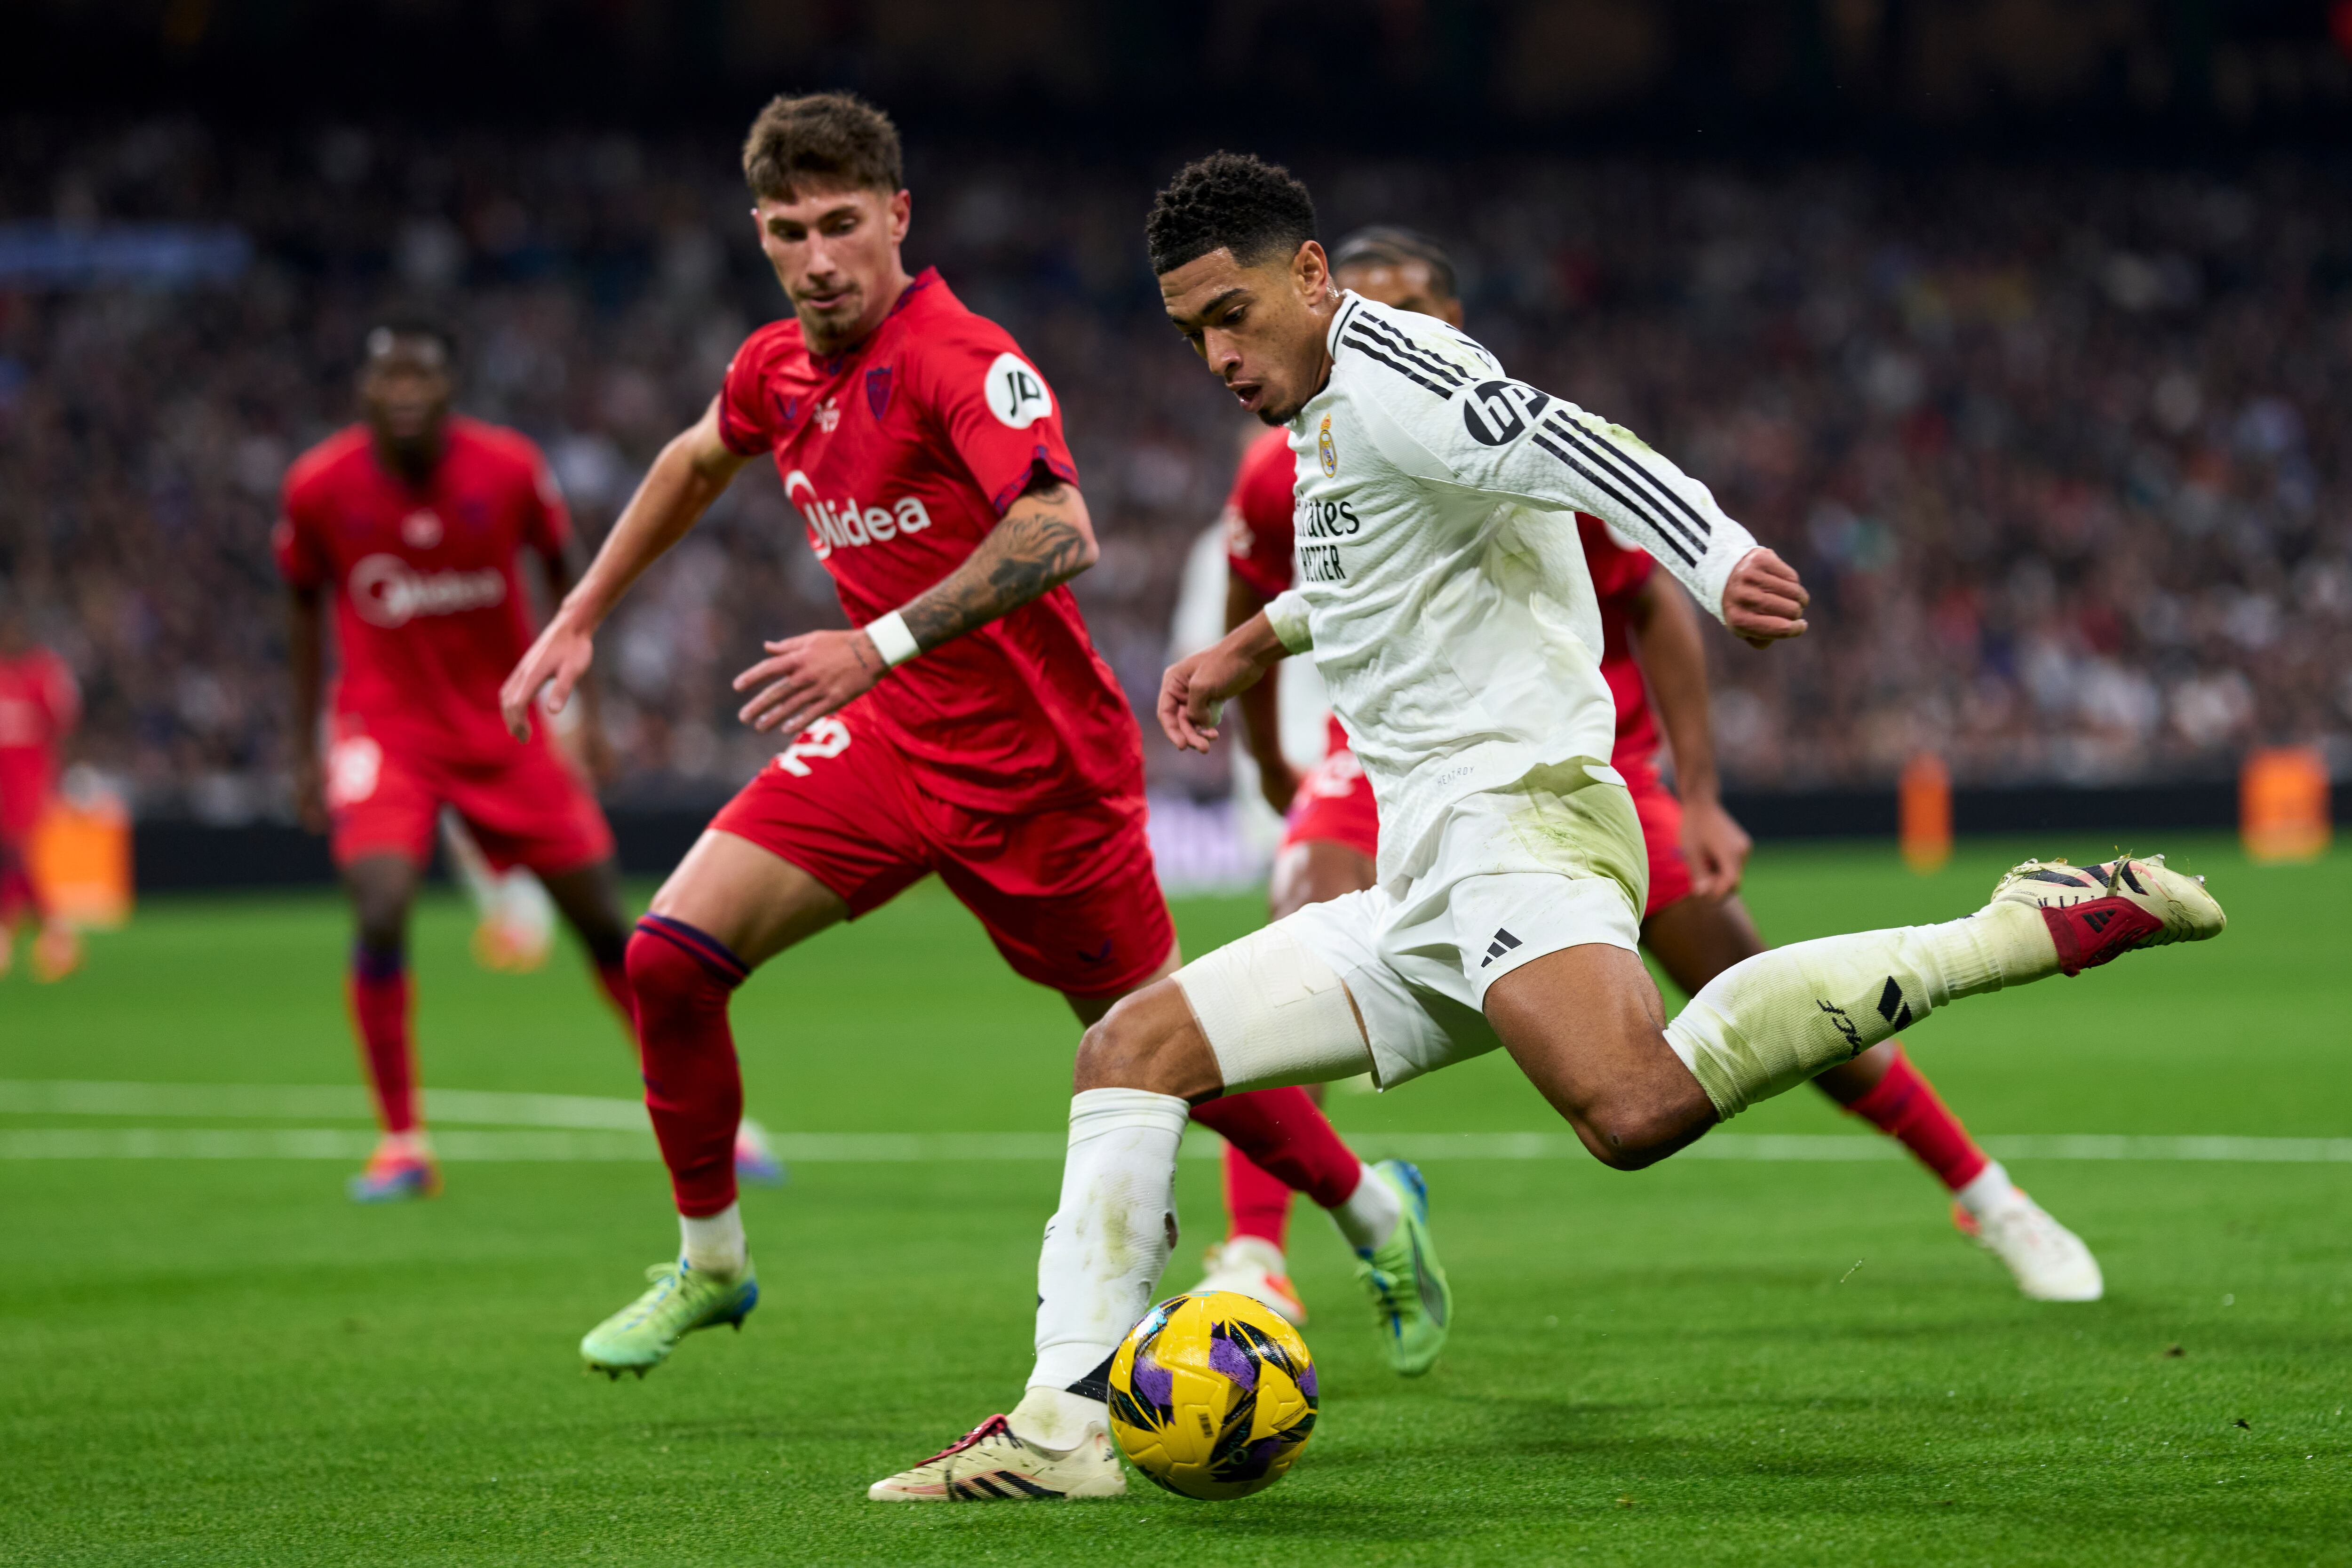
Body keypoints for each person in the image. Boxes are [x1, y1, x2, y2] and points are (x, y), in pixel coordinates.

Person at [873, 153, 2223, 1503]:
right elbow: (1374, 565)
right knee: (1134, 1048)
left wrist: (1717, 551)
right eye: (1190, 334)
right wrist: (1247, 645)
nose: (1217, 353)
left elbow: (1570, 438)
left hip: (1524, 817)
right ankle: (1061, 1420)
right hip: (1425, 870)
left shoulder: (1398, 368)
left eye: (1232, 313)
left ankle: (2016, 927)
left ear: (1309, 273)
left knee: (1630, 1109)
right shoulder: (1327, 409)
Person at [499, 93, 1443, 1384]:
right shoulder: (776, 366)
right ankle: (711, 1262)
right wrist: (579, 613)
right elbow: (694, 457)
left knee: (1171, 1054)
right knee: (668, 958)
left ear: (897, 215)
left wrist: (874, 641)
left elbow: (1063, 530)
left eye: (842, 223)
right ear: (763, 236)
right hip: (890, 747)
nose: (818, 256)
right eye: (789, 231)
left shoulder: (959, 356)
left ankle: (1373, 1209)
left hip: (1042, 772)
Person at [1201, 226, 2100, 1312]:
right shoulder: (1284, 456)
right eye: (1365, 301)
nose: (1382, 325)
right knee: (1287, 933)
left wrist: (1702, 793)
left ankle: (1984, 1190)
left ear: (1453, 325)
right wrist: (1269, 764)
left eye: (1411, 308)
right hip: (1386, 761)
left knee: (1735, 996)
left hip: (1575, 769)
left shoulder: (1491, 429)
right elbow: (1262, 610)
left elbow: (1648, 604)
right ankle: (1264, 1255)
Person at [278, 321, 670, 1202]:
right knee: (379, 907)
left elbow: (571, 578)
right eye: (390, 374)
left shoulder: (510, 468)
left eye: (423, 372)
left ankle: (698, 1114)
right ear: (366, 390)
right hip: (385, 730)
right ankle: (403, 1142)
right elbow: (302, 609)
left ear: (452, 387)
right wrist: (302, 743)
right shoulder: (318, 486)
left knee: (605, 920)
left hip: (507, 726)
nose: (406, 388)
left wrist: (590, 715)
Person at [0, 586, 82, 983]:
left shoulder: (43, 674)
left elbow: (64, 724)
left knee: (21, 855)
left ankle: (44, 936)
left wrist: (58, 777)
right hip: (3, 788)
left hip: (29, 787)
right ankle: (54, 935)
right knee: (17, 860)